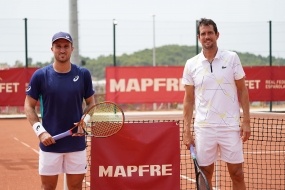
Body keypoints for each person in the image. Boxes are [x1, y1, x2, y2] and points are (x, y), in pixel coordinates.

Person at [182, 18, 251, 190]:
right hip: (204, 127)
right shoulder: (191, 64)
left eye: (210, 33)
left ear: (217, 35)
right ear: (199, 38)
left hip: (230, 126)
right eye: (203, 34)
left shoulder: (232, 58)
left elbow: (242, 90)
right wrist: (186, 130)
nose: (207, 37)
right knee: (205, 174)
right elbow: (188, 99)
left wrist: (246, 121)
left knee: (237, 173)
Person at [24, 31, 95, 190]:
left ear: (72, 49)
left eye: (66, 46)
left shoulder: (83, 74)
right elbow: (28, 105)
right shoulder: (40, 75)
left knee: (75, 187)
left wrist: (85, 122)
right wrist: (40, 132)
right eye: (58, 46)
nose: (62, 50)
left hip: (76, 143)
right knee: (48, 187)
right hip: (50, 144)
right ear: (52, 49)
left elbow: (91, 103)